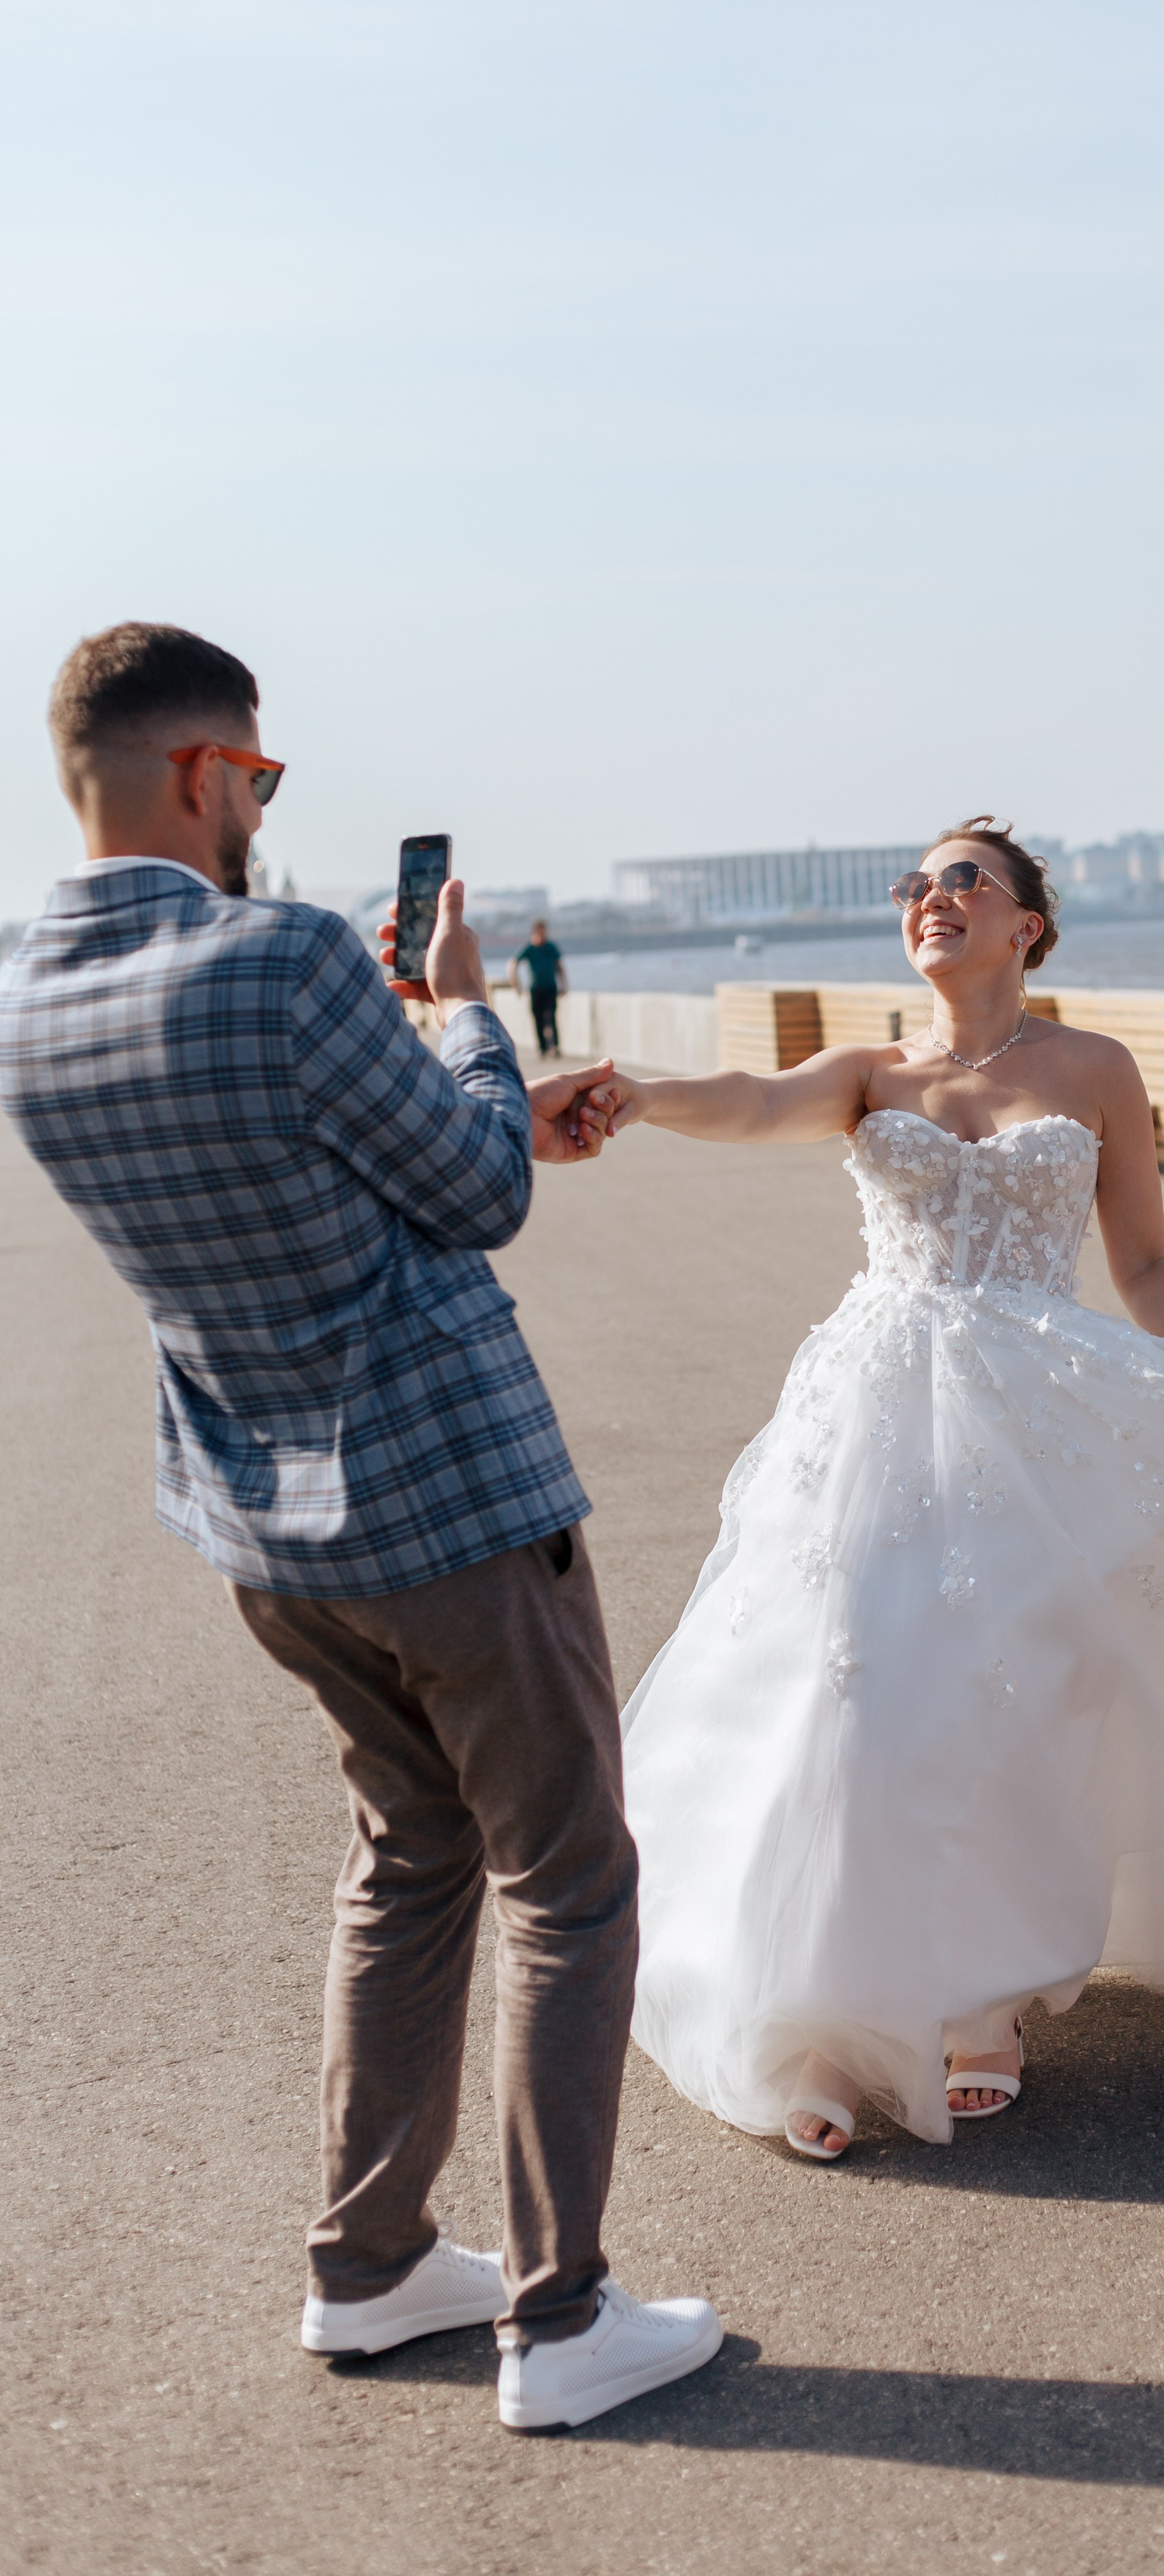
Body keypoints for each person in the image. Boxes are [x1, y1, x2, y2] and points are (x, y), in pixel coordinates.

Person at [0, 624, 721, 2430]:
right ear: (197, 773)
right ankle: (560, 2319)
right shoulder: (291, 956)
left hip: (267, 1526)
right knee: (568, 1875)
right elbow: (474, 1190)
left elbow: (292, 1182)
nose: (260, 808)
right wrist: (470, 1014)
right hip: (450, 1501)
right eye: (260, 776)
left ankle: (373, 2260)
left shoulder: (24, 994)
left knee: (407, 1857)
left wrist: (455, 1103)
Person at [610, 819, 1164, 2158]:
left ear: (1028, 923)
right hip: (878, 1409)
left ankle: (984, 1993)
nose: (932, 898)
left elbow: (1145, 1264)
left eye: (964, 880)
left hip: (1041, 1409)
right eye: (917, 884)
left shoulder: (1094, 1069)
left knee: (1024, 1683)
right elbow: (753, 1099)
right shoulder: (870, 1072)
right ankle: (815, 2012)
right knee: (850, 1682)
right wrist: (634, 1092)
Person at [508, 918, 566, 1055]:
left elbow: (559, 967)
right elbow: (513, 964)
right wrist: (516, 983)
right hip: (535, 989)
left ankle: (554, 1046)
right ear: (534, 932)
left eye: (544, 931)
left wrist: (563, 984)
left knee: (550, 1016)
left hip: (550, 988)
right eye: (540, 932)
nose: (543, 935)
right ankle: (542, 1048)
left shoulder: (551, 947)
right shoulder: (529, 948)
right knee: (538, 1019)